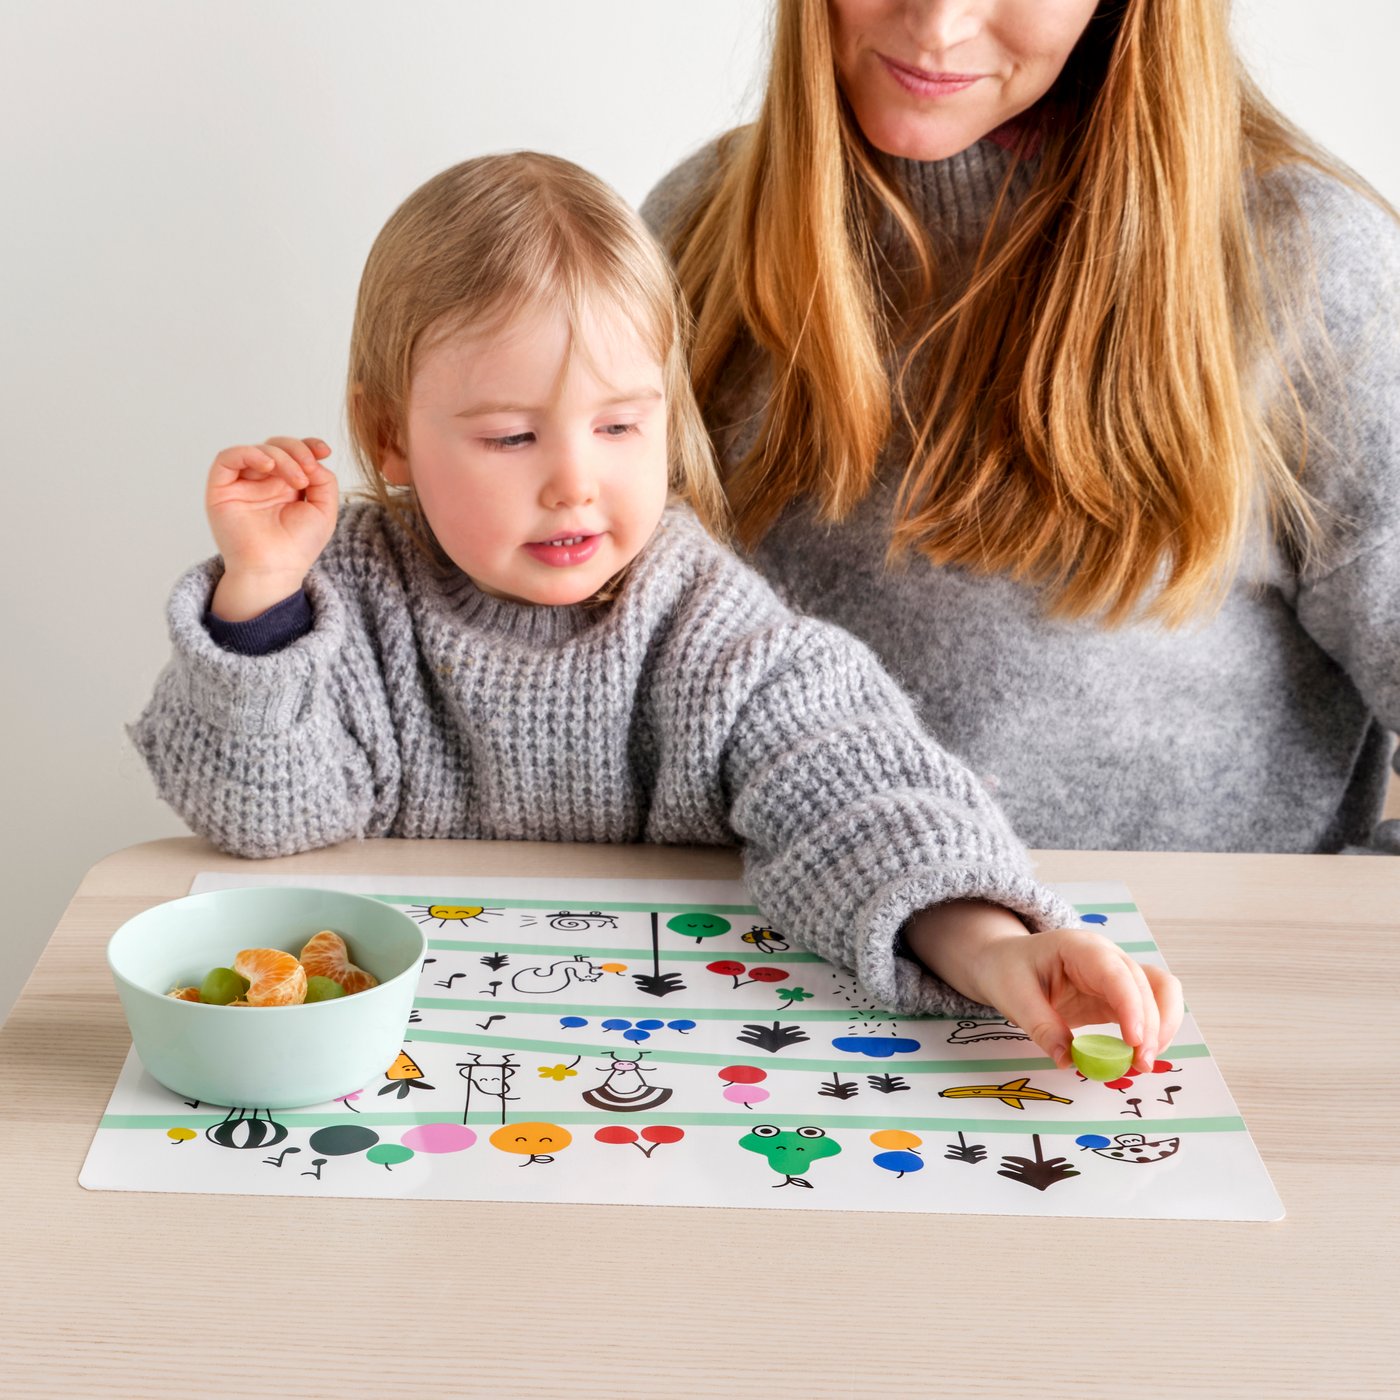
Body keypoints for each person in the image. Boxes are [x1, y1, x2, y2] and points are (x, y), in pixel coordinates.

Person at [130, 151, 1181, 1069]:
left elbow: (852, 790)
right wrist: (262, 596)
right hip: (414, 1059)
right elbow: (258, 817)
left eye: (622, 426)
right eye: (510, 437)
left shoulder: (695, 616)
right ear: (390, 436)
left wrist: (995, 946)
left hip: (656, 1059)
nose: (574, 482)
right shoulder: (346, 597)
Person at [642, 0, 1400, 855]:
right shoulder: (695, 224)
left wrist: (1307, 953)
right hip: (742, 968)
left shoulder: (1314, 269)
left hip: (1156, 982)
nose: (936, 23)